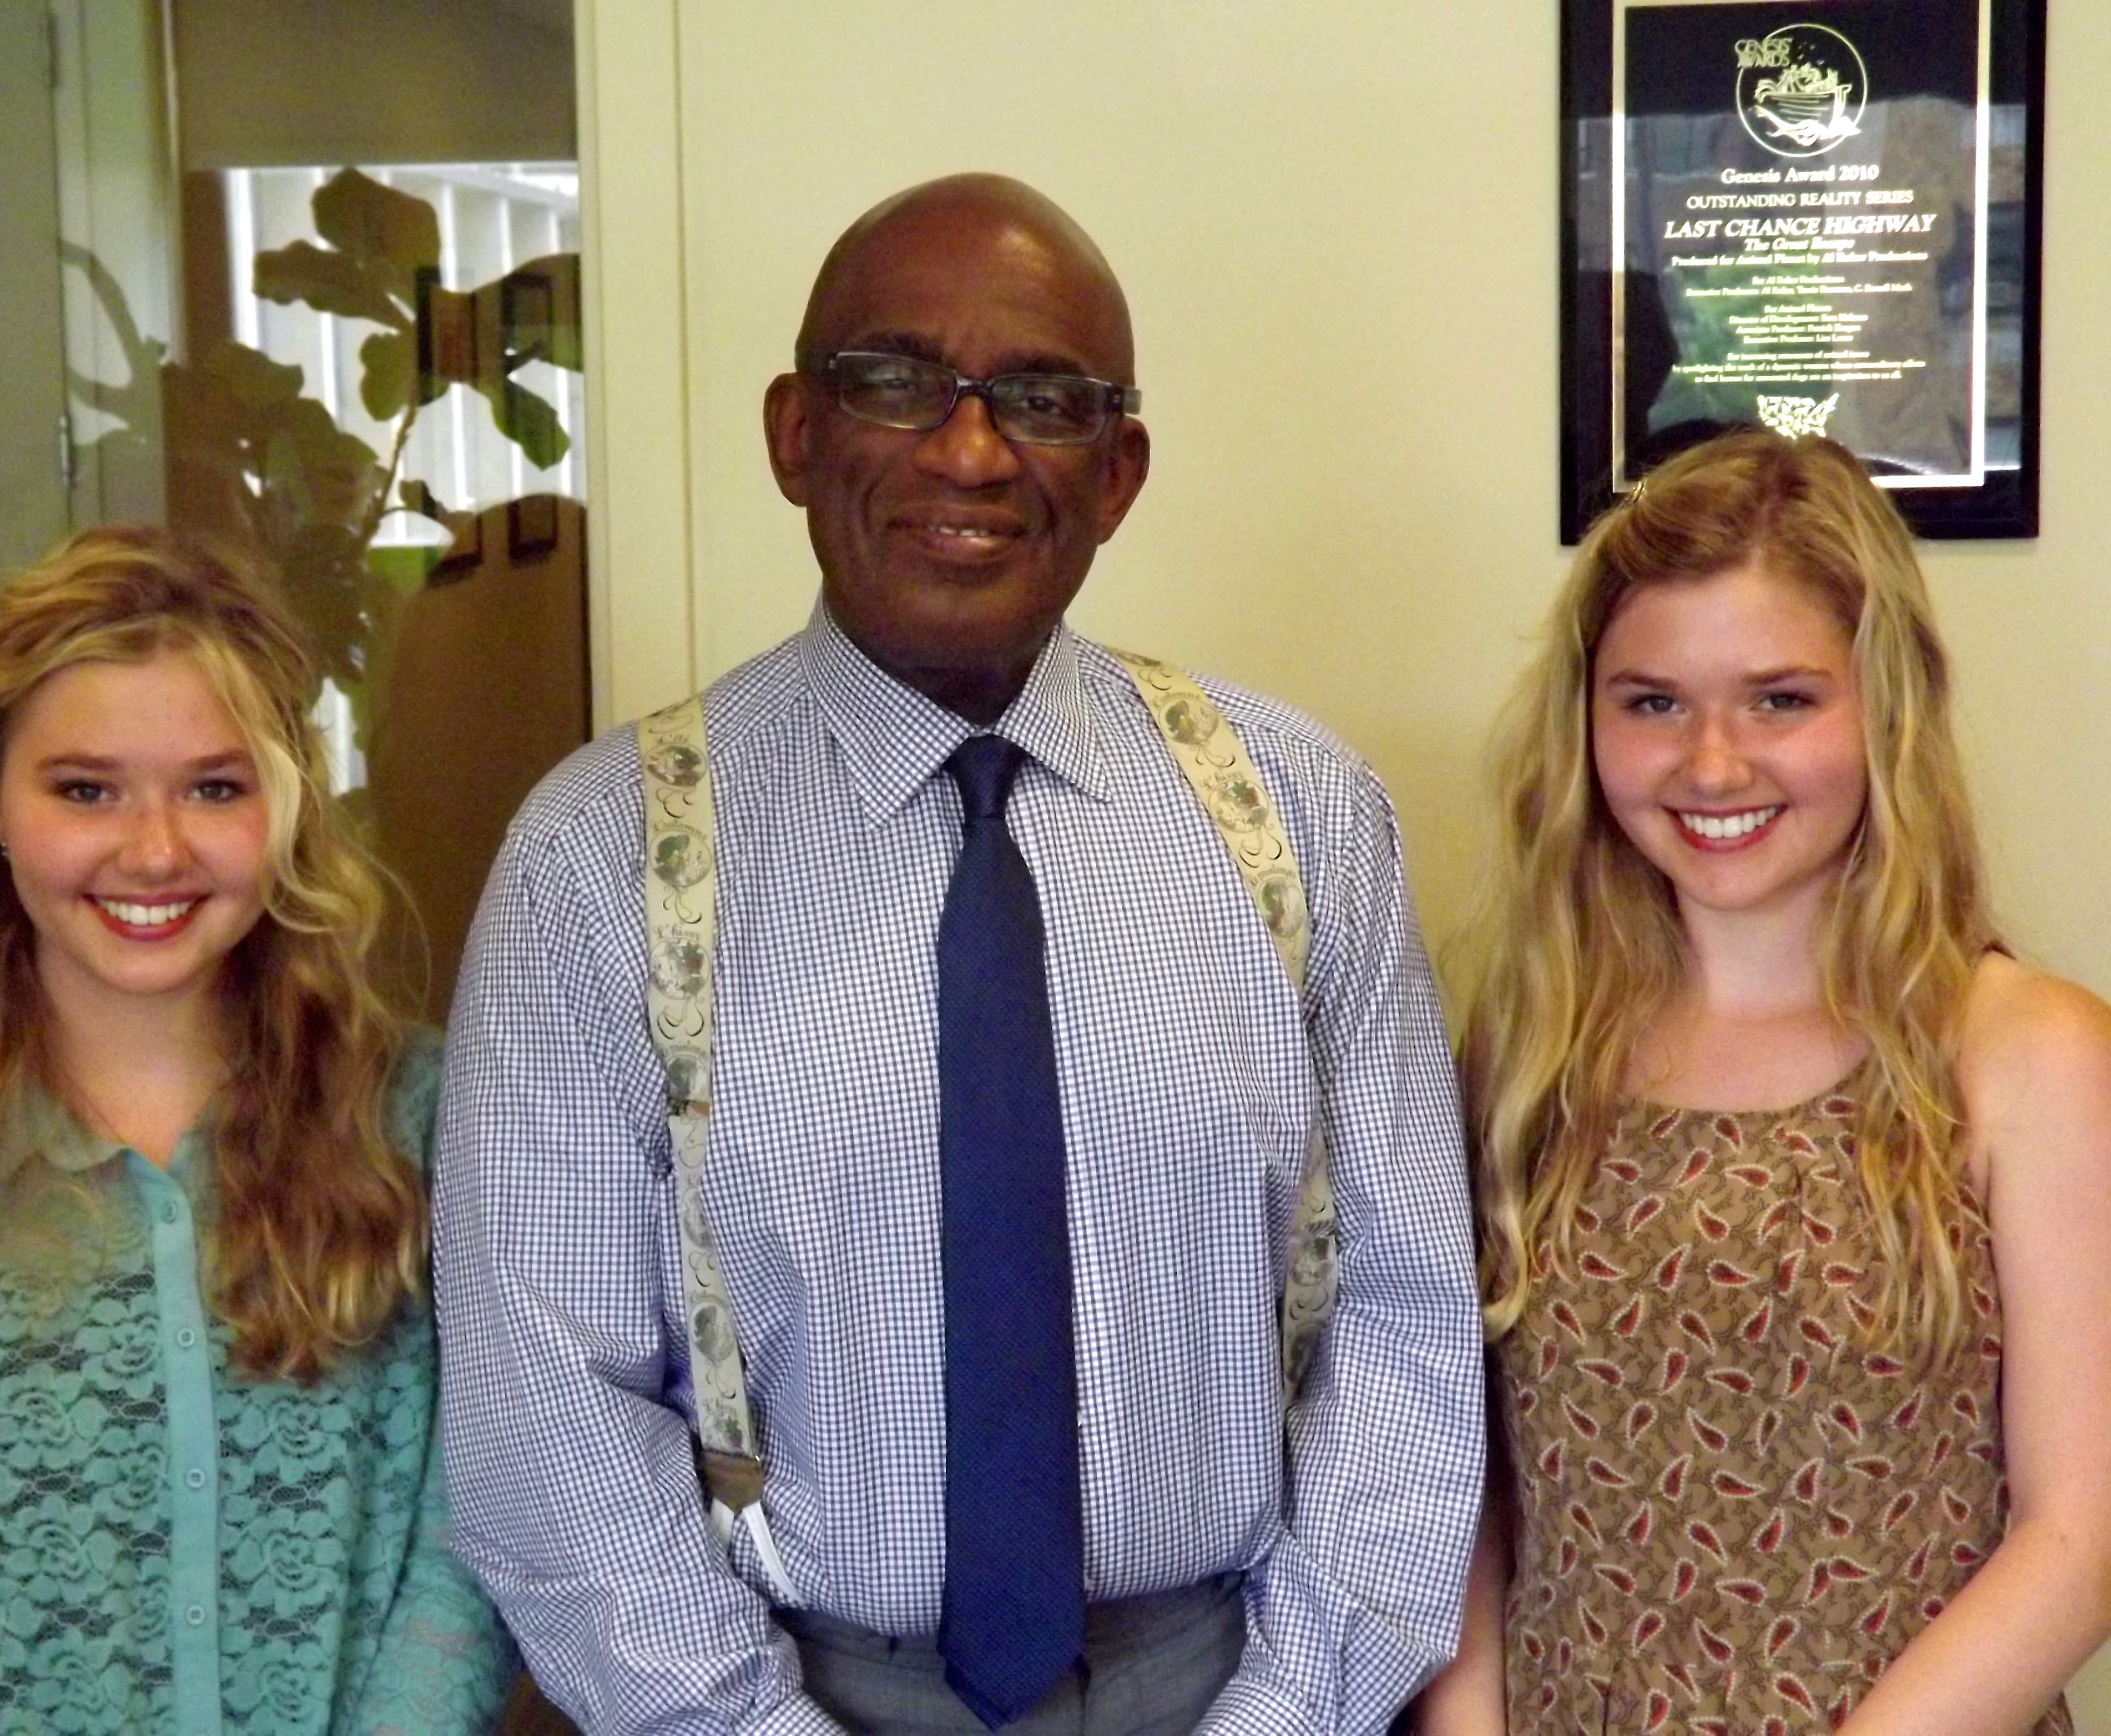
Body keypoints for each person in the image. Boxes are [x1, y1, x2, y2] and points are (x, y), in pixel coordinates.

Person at [435, 172, 1481, 1736]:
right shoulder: (601, 859)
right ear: (797, 431)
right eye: (896, 381)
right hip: (784, 1696)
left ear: (1118, 471)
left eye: (1041, 399)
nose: (971, 450)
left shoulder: (1299, 816)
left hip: (1238, 1685)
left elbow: (1408, 1323)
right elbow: (547, 1413)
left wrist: (1291, 1715)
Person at [1415, 431, 2111, 1734]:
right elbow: (1469, 1483)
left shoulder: (2026, 1054)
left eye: (1780, 699)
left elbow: (2078, 1539)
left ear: (1881, 710)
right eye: (1651, 701)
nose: (1712, 764)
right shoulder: (1528, 1050)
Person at [0, 527, 513, 1733]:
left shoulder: (434, 1128)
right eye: (85, 789)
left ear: (287, 799)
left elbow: (473, 1544)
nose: (155, 849)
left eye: (214, 786)